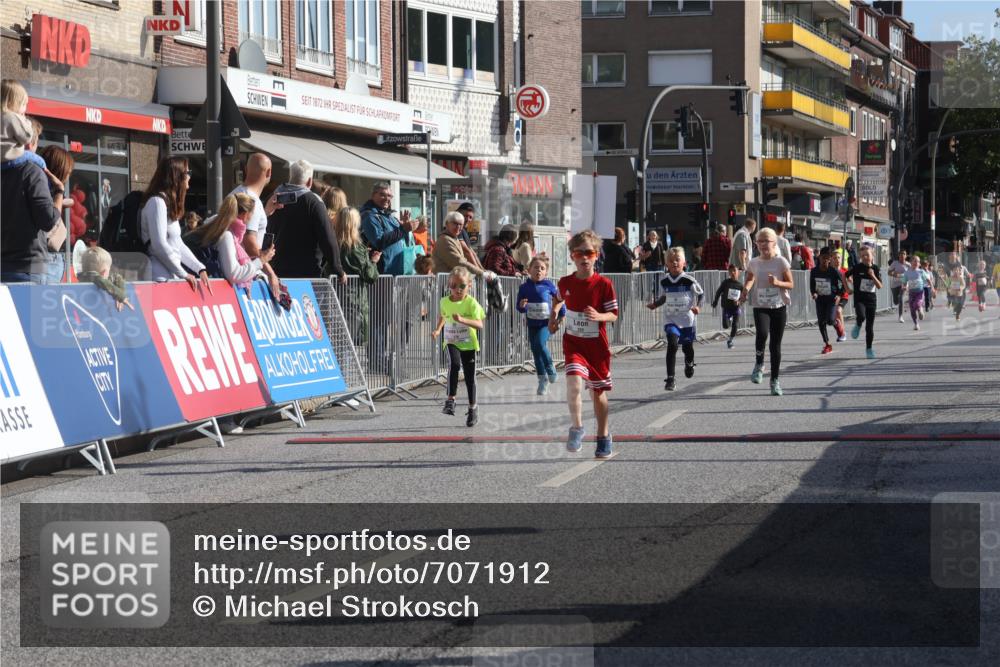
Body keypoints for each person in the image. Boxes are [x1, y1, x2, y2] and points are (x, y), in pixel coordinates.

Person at [549, 230, 619, 459]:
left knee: (598, 393)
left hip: (596, 347)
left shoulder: (604, 284)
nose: (584, 257)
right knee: (574, 385)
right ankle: (577, 428)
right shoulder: (566, 282)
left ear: (596, 255)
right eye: (578, 253)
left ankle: (603, 435)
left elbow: (613, 315)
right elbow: (558, 299)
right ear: (572, 256)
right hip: (574, 344)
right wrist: (553, 317)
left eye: (588, 252)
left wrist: (599, 316)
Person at [268, 159, 345, 282]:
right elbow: (327, 236)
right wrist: (338, 268)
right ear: (309, 181)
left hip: (277, 269)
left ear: (290, 176)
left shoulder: (273, 198)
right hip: (306, 273)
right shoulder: (313, 201)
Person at [139, 157, 210, 288]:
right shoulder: (157, 202)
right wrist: (183, 273)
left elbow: (177, 244)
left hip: (170, 275)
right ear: (176, 177)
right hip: (159, 278)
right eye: (187, 173)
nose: (189, 177)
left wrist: (199, 268)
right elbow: (158, 245)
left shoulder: (167, 203)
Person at [740, 227, 794, 396]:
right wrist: (745, 290)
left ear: (774, 243)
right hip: (760, 305)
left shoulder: (781, 262)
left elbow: (791, 284)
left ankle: (775, 381)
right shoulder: (754, 262)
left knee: (775, 346)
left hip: (778, 307)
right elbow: (750, 279)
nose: (763, 244)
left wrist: (778, 283)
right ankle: (759, 364)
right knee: (762, 334)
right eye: (760, 241)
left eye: (767, 241)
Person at [187, 193, 277, 290]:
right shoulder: (226, 235)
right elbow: (234, 274)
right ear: (245, 215)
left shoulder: (214, 224)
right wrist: (261, 260)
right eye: (253, 214)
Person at [432, 266, 485, 427]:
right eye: (453, 286)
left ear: (469, 285)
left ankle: (472, 407)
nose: (457, 289)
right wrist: (438, 329)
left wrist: (463, 320)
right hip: (451, 340)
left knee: (470, 377)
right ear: (449, 286)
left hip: (468, 342)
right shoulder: (444, 301)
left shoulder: (471, 303)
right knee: (454, 364)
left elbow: (479, 324)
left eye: (461, 286)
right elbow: (443, 315)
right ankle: (450, 400)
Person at [646, 247, 703, 391]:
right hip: (670, 319)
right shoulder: (664, 281)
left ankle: (689, 363)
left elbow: (701, 294)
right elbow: (664, 297)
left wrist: (698, 307)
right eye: (671, 261)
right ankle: (670, 379)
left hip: (687, 320)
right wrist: (655, 304)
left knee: (687, 348)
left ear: (684, 262)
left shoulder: (688, 280)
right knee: (672, 344)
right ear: (666, 264)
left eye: (678, 260)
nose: (675, 263)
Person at [517, 256, 563, 395]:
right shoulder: (524, 287)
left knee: (539, 344)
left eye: (542, 268)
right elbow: (519, 307)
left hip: (546, 323)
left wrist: (561, 314)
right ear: (529, 270)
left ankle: (550, 367)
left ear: (546, 272)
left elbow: (559, 300)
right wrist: (522, 306)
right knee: (536, 351)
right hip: (532, 323)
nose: (539, 270)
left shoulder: (549, 285)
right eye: (536, 267)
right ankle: (542, 380)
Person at [335, 206, 380, 346]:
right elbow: (370, 275)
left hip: (337, 297)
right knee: (348, 343)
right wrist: (372, 261)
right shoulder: (355, 247)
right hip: (354, 299)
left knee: (339, 341)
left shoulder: (333, 243)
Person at [359, 182, 417, 276]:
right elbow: (379, 241)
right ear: (373, 195)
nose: (387, 199)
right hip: (381, 274)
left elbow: (402, 240)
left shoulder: (391, 217)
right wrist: (403, 229)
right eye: (382, 195)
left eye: (389, 196)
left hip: (398, 272)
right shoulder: (369, 216)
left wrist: (406, 229)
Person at [229, 153, 280, 257]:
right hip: (247, 269)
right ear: (269, 172)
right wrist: (269, 271)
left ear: (246, 169)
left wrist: (264, 212)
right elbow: (249, 242)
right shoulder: (252, 200)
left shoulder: (236, 193)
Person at [35, 144, 72, 283]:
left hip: (46, 257)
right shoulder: (45, 189)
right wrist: (59, 192)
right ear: (60, 169)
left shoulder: (35, 183)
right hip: (45, 258)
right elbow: (51, 218)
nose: (68, 176)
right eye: (68, 172)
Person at [432, 212, 496, 280]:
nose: (458, 227)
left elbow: (468, 254)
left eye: (460, 224)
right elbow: (459, 262)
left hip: (452, 284)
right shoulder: (445, 240)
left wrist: (483, 271)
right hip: (446, 285)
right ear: (447, 224)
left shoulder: (453, 238)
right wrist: (481, 273)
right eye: (455, 223)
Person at [846, 245, 883, 359]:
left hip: (871, 300)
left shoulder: (875, 268)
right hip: (859, 299)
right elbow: (844, 275)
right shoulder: (857, 268)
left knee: (869, 327)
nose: (865, 257)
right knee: (861, 316)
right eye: (862, 256)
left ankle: (869, 349)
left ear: (872, 256)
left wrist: (872, 275)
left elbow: (879, 286)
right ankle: (858, 324)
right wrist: (848, 289)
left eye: (867, 255)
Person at [810, 247, 845, 354]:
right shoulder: (814, 271)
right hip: (820, 299)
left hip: (832, 299)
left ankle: (837, 323)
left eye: (827, 259)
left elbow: (843, 284)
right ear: (819, 257)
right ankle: (827, 344)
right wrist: (814, 293)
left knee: (830, 320)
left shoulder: (833, 271)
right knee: (821, 322)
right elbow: (812, 285)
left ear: (830, 259)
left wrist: (839, 295)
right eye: (823, 258)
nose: (825, 260)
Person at [78, 246, 133, 312]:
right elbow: (100, 280)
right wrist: (121, 296)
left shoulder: (86, 276)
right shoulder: (92, 278)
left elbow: (116, 277)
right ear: (104, 273)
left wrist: (121, 292)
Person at [712, 264, 743, 349]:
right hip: (726, 307)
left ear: (738, 272)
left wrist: (739, 301)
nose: (732, 273)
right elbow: (718, 292)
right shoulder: (726, 283)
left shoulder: (740, 285)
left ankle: (730, 340)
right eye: (731, 271)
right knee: (726, 326)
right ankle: (728, 319)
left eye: (734, 271)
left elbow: (744, 298)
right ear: (729, 272)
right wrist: (715, 301)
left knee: (735, 325)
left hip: (736, 308)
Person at [902, 255, 932, 330]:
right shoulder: (907, 273)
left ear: (919, 264)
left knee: (917, 304)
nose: (916, 262)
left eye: (918, 261)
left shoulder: (921, 271)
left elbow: (928, 280)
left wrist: (933, 289)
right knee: (912, 310)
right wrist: (904, 287)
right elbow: (904, 282)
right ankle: (916, 324)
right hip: (911, 293)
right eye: (914, 261)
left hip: (920, 292)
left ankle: (920, 309)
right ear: (911, 262)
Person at [888, 250, 909, 323]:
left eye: (904, 254)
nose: (902, 255)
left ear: (906, 256)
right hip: (894, 284)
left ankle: (900, 316)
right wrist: (894, 274)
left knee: (900, 298)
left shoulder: (908, 265)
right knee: (896, 301)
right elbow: (889, 272)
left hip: (903, 283)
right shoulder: (895, 263)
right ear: (899, 256)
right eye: (901, 254)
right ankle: (903, 300)